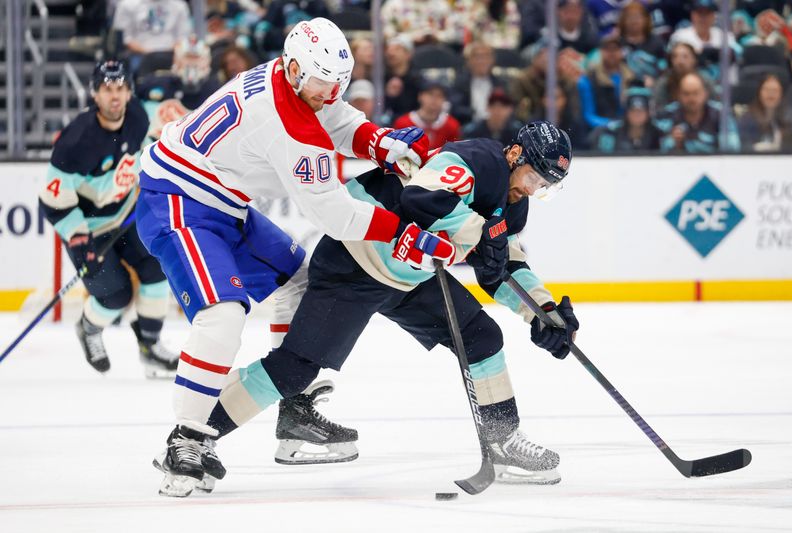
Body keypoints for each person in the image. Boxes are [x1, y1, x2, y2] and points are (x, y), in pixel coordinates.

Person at [136, 18, 450, 497]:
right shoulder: (287, 121)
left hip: (222, 201)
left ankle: (294, 409)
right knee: (222, 315)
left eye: (337, 83)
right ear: (298, 69)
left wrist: (380, 142)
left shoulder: (293, 80)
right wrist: (402, 231)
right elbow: (336, 215)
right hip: (179, 201)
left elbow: (337, 116)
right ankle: (186, 439)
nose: (331, 92)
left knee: (300, 282)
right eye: (325, 82)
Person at [200, 121, 578, 493]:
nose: (532, 189)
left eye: (544, 187)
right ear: (515, 154)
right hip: (354, 261)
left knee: (482, 337)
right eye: (534, 177)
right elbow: (423, 198)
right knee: (295, 370)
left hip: (407, 280)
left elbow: (502, 268)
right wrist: (478, 232)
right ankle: (197, 434)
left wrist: (543, 312)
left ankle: (503, 441)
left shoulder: (514, 204)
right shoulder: (477, 160)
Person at [38, 60, 179, 378]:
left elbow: (144, 153)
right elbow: (51, 202)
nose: (114, 96)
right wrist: (78, 237)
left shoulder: (138, 116)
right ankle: (88, 329)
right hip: (88, 229)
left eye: (120, 89)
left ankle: (151, 348)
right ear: (95, 93)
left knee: (157, 265)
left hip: (126, 214)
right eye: (106, 89)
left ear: (129, 92)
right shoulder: (75, 143)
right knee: (116, 296)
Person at [137, 36, 223, 141]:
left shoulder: (217, 91)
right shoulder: (157, 82)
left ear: (207, 61)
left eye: (197, 58)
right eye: (187, 57)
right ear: (176, 59)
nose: (192, 63)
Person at [656, 71, 741, 153]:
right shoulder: (667, 114)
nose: (691, 98)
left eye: (696, 93)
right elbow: (656, 150)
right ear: (679, 95)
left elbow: (733, 147)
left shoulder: (721, 114)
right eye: (686, 94)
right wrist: (673, 142)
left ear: (705, 94)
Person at [577, 31, 636, 129]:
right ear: (600, 52)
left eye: (615, 49)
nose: (612, 53)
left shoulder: (631, 77)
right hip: (600, 132)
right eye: (607, 49)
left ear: (622, 52)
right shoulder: (588, 79)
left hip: (627, 130)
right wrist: (611, 125)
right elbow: (588, 116)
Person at [394, 79, 462, 149]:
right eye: (430, 94)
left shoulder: (452, 125)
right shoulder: (403, 124)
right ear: (420, 96)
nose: (434, 99)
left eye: (439, 95)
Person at [591, 87, 661, 152]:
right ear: (626, 112)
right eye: (633, 111)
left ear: (648, 113)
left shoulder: (659, 133)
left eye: (641, 111)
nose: (637, 115)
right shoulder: (611, 132)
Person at [737, 74, 792, 152]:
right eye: (767, 90)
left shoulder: (787, 118)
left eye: (775, 90)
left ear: (781, 94)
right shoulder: (747, 120)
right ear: (759, 92)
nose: (771, 94)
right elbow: (745, 149)